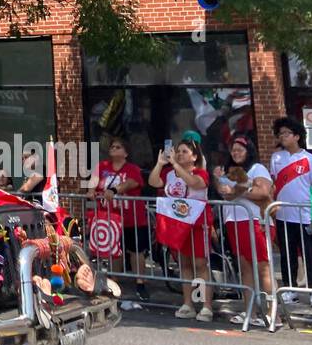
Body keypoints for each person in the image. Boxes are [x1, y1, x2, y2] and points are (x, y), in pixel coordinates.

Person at [149, 138, 214, 321]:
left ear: (194, 156)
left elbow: (195, 183)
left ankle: (205, 305)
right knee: (184, 264)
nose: (179, 154)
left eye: (184, 151)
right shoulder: (170, 173)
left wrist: (176, 166)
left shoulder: (200, 172)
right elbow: (154, 182)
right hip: (178, 224)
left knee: (200, 264)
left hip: (198, 223)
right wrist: (160, 164)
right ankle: (188, 303)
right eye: (178, 151)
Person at [215, 134, 275, 327]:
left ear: (249, 150)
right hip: (234, 221)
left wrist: (237, 190)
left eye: (240, 149)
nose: (236, 152)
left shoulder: (258, 168)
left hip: (255, 220)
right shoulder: (230, 171)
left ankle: (273, 313)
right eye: (233, 149)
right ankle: (250, 311)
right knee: (245, 268)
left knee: (263, 267)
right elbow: (227, 195)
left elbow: (263, 192)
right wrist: (220, 182)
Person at [268, 116, 312, 309]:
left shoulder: (309, 159)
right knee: (287, 254)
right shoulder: (276, 158)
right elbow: (273, 183)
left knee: (310, 255)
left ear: (297, 136)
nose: (282, 136)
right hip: (284, 215)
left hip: (306, 216)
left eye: (287, 133)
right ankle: (289, 288)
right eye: (280, 133)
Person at [87, 136, 150, 303]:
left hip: (132, 218)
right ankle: (114, 281)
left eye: (118, 147)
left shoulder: (132, 168)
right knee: (113, 250)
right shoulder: (101, 167)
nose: (114, 149)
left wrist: (115, 189)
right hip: (109, 218)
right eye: (112, 147)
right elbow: (92, 184)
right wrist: (91, 191)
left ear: (126, 152)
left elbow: (131, 183)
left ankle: (140, 282)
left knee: (135, 250)